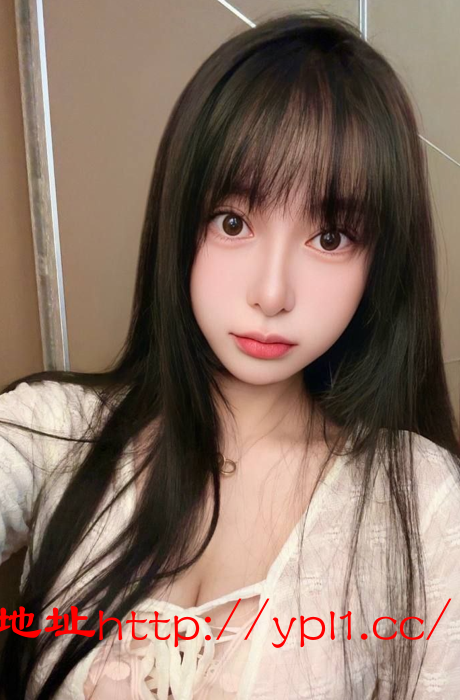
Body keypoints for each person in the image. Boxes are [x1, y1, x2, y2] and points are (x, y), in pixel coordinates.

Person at [0, 9, 459, 700]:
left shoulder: (422, 502)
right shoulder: (58, 433)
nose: (271, 294)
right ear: (180, 221)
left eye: (331, 237)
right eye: (233, 221)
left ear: (380, 262)